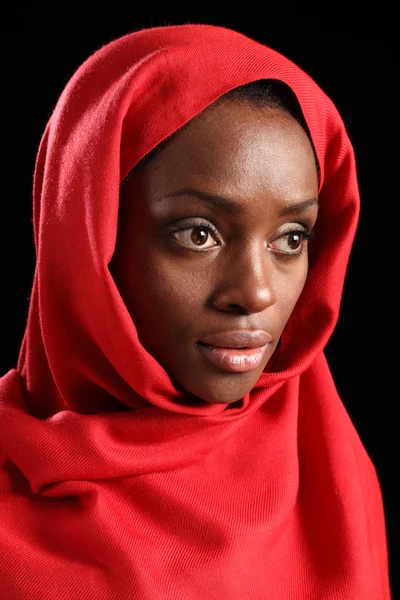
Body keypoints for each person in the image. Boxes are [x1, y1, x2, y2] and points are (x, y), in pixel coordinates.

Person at [0, 23, 391, 599]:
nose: (255, 294)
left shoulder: (334, 472)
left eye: (290, 238)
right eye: (199, 234)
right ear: (89, 238)